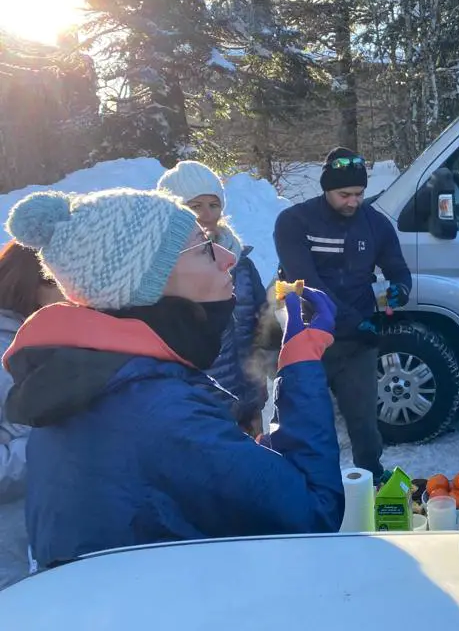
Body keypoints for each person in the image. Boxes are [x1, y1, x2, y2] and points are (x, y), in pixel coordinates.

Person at [3, 187, 344, 569]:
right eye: (204, 248)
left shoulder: (96, 382)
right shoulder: (158, 411)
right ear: (147, 281)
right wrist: (301, 365)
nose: (229, 258)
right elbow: (314, 512)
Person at [274, 147, 411, 482]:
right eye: (344, 194)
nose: (353, 201)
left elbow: (398, 267)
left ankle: (371, 480)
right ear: (326, 189)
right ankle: (308, 485)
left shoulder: (373, 223)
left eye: (359, 194)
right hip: (308, 338)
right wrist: (353, 320)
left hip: (356, 343)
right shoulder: (294, 222)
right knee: (310, 422)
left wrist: (399, 289)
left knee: (364, 421)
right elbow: (308, 283)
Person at [158, 161, 269, 436]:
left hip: (248, 396)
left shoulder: (241, 262)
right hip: (203, 405)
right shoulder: (166, 271)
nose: (208, 215)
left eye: (213, 204)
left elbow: (261, 320)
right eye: (195, 206)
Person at [0, 242, 64, 589]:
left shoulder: (54, 335)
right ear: (29, 283)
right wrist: (53, 445)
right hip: (10, 549)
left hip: (50, 526)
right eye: (56, 281)